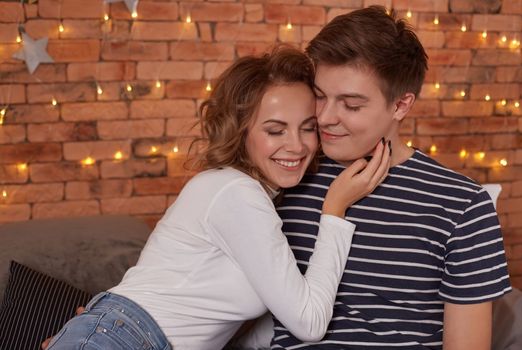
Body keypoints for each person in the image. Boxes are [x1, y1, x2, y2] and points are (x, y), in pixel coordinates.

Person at [43, 46, 391, 350]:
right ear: (241, 132)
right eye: (275, 130)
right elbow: (309, 323)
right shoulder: (234, 192)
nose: (297, 146)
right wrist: (334, 210)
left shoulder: (253, 198)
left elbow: (245, 325)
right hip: (123, 337)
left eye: (307, 127)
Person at [270, 6, 511, 350]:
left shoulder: (463, 206)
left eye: (351, 105)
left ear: (401, 105)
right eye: (320, 97)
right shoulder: (286, 175)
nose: (324, 118)